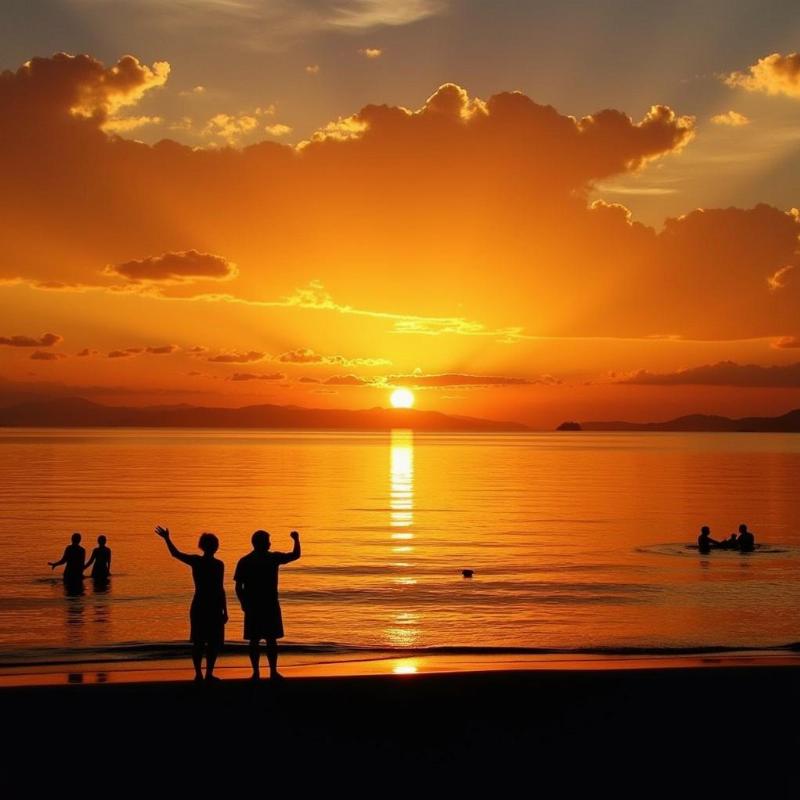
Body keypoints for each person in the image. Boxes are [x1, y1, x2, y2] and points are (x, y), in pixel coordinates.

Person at [155, 525, 228, 682]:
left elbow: (220, 588)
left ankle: (203, 674)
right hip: (207, 605)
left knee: (204, 642)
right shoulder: (212, 563)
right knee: (205, 642)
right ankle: (203, 673)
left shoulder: (209, 563)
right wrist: (167, 539)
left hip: (204, 605)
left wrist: (167, 539)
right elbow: (176, 554)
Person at [234, 530, 301, 681]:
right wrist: (296, 539)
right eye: (268, 540)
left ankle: (258, 672)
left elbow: (239, 587)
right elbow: (295, 555)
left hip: (255, 605)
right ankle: (270, 671)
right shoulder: (271, 558)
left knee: (256, 640)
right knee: (269, 640)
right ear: (263, 543)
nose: (270, 543)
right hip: (267, 604)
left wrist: (244, 603)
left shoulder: (246, 560)